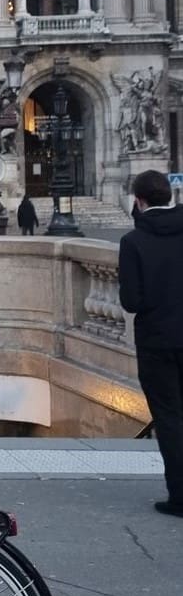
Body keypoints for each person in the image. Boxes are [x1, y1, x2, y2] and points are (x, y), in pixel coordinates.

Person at [117, 169, 183, 517]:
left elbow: (131, 301)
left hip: (157, 340)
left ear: (139, 201)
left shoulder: (134, 242)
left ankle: (180, 495)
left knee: (170, 418)